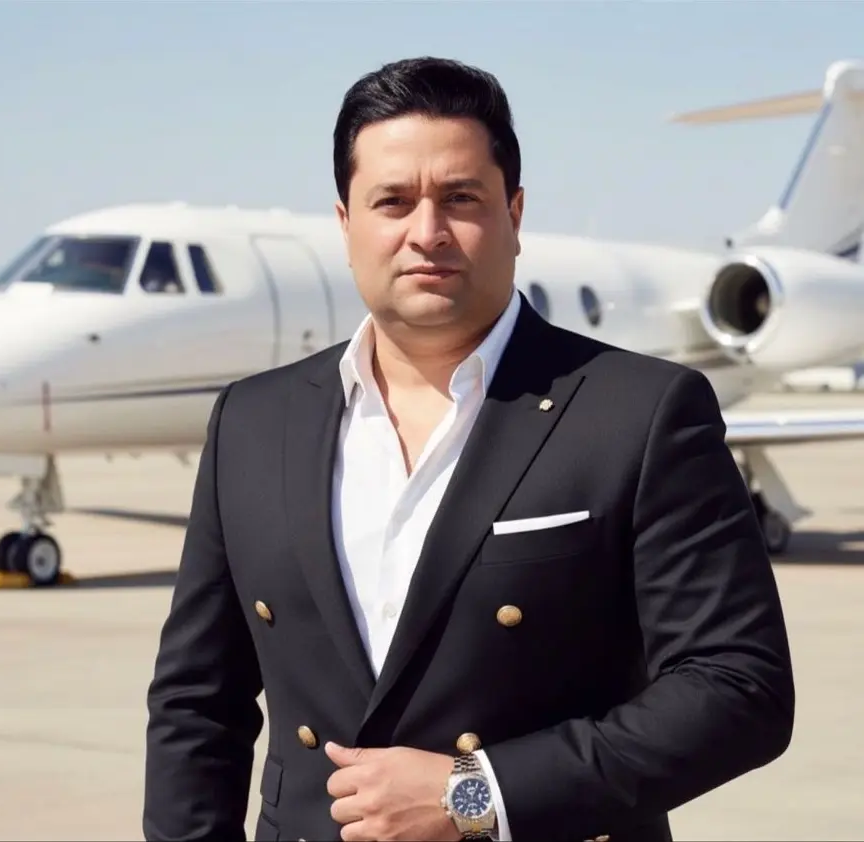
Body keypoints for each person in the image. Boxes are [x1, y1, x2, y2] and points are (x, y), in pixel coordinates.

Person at [142, 56, 795, 842]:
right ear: (346, 224)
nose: (427, 233)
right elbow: (197, 704)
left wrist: (476, 795)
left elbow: (739, 688)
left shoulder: (640, 413)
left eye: (461, 198)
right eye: (392, 202)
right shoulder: (253, 422)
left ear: (514, 214)